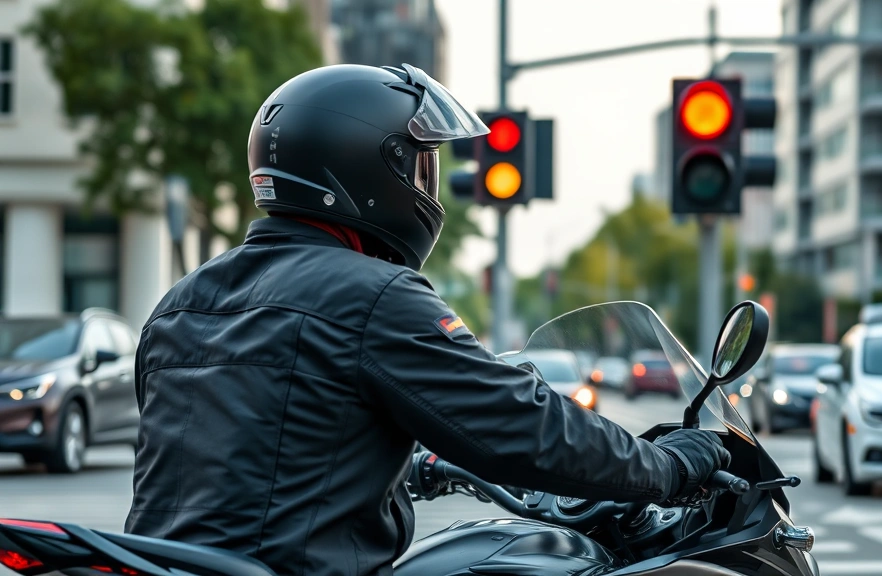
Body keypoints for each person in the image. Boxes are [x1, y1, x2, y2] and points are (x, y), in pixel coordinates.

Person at [125, 64, 731, 576]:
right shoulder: (373, 295)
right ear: (367, 169)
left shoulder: (181, 301)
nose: (426, 186)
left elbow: (241, 450)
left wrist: (410, 463)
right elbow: (516, 421)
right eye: (418, 166)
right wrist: (665, 466)